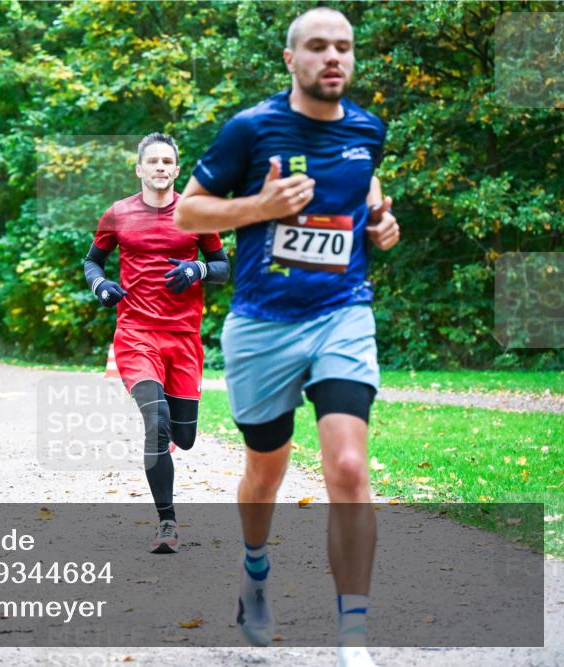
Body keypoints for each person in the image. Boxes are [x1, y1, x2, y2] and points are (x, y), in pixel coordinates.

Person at [174, 8, 400, 667]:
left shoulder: (367, 129)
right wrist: (260, 208)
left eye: (344, 48)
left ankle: (352, 635)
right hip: (262, 323)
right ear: (290, 59)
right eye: (319, 48)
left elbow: (366, 190)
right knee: (264, 472)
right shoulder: (251, 128)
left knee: (350, 468)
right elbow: (189, 209)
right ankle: (254, 569)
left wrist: (383, 223)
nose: (334, 58)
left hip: (342, 312)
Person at [83, 133, 229, 554]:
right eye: (154, 161)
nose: (161, 167)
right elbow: (93, 260)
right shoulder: (118, 214)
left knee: (183, 437)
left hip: (183, 339)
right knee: (156, 421)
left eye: (168, 161)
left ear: (177, 169)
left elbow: (223, 266)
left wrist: (198, 269)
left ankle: (168, 442)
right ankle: (167, 522)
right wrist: (100, 284)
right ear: (140, 169)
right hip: (135, 335)